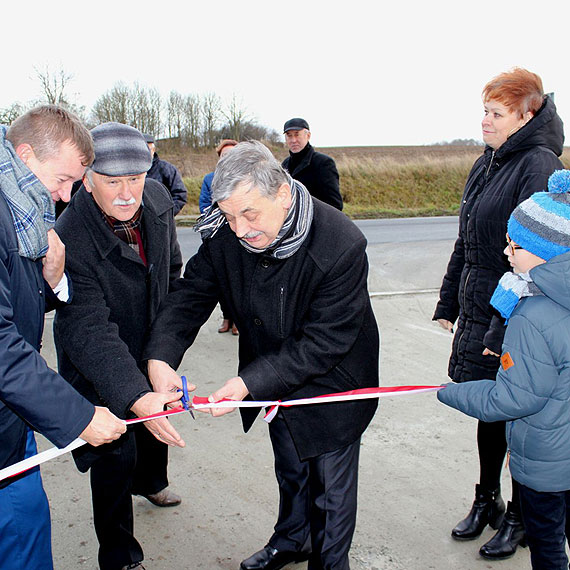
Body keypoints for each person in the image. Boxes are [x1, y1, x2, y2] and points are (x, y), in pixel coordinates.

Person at [144, 140, 379, 570]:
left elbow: (324, 341)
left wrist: (248, 382)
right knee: (290, 467)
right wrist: (160, 358)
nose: (239, 229)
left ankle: (328, 562)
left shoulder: (341, 244)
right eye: (230, 216)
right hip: (271, 374)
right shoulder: (227, 236)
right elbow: (190, 296)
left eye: (250, 214)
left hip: (333, 383)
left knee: (330, 492)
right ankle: (292, 539)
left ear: (283, 195)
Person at [433, 67, 564, 559]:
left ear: (526, 115)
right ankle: (486, 498)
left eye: (496, 113)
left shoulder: (537, 163)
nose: (484, 121)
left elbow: (532, 255)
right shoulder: (487, 161)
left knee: (518, 414)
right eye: (483, 111)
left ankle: (522, 516)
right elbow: (467, 239)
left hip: (515, 312)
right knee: (488, 410)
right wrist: (449, 301)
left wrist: (499, 324)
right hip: (482, 304)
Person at [54, 122, 186, 570]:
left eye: (136, 178)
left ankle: (151, 481)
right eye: (113, 182)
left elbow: (172, 271)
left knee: (154, 428)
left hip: (147, 342)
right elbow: (87, 327)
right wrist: (134, 393)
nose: (128, 193)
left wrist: (162, 352)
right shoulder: (71, 233)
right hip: (98, 358)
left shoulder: (157, 201)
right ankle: (120, 556)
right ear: (87, 180)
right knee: (114, 453)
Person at [0, 105, 126, 570]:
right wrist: (79, 417)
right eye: (62, 179)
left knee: (29, 527)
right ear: (26, 153)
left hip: (13, 416)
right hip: (7, 413)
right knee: (20, 539)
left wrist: (51, 281)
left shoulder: (20, 211)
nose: (65, 195)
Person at [199, 138, 239, 334]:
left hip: (239, 236)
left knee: (238, 281)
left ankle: (238, 320)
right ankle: (226, 318)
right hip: (217, 233)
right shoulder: (210, 179)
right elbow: (204, 204)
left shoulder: (246, 178)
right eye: (224, 155)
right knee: (222, 281)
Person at [281, 117, 343, 211]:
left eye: (297, 135)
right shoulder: (284, 165)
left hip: (316, 223)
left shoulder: (323, 163)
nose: (293, 140)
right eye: (289, 136)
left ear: (308, 136)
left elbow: (334, 204)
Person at [144, 133, 187, 215]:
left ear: (154, 150)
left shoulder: (167, 169)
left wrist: (167, 215)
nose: (146, 153)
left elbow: (180, 194)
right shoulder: (130, 171)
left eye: (148, 149)